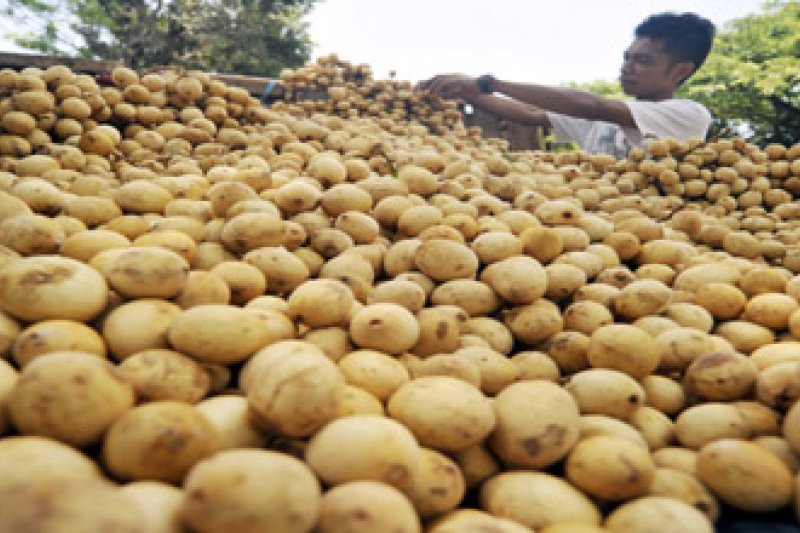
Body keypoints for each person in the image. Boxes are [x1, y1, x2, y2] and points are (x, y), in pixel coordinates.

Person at [418, 12, 716, 158]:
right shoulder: (601, 121)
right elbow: (531, 113)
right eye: (626, 57)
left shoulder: (688, 114)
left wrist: (488, 83)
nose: (627, 67)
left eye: (643, 60)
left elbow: (592, 105)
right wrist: (466, 92)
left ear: (680, 71)